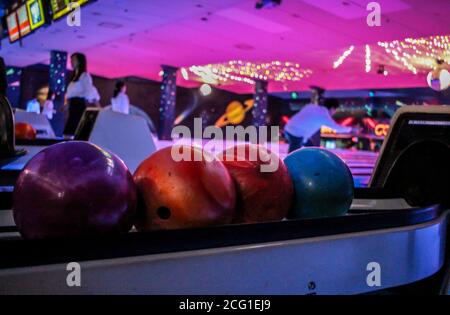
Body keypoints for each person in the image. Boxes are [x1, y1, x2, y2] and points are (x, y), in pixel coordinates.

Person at [284, 86, 352, 153]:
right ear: (332, 108)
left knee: (310, 147)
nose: (334, 112)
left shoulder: (312, 106)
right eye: (335, 110)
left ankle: (307, 159)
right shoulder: (324, 116)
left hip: (288, 129)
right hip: (295, 134)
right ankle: (288, 163)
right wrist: (352, 129)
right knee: (293, 154)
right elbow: (338, 128)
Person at [63, 52, 100, 136]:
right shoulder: (74, 77)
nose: (71, 62)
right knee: (69, 130)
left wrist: (97, 105)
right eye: (71, 60)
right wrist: (67, 104)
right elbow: (70, 94)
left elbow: (89, 91)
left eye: (73, 60)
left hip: (79, 105)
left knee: (73, 130)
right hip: (73, 105)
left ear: (79, 61)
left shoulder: (84, 76)